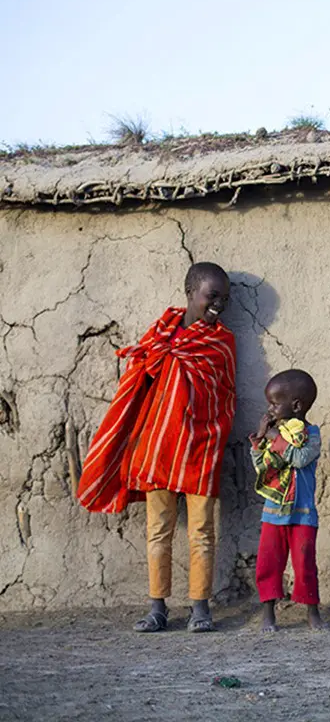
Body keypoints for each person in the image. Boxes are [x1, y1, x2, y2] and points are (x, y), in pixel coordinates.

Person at [77, 262, 236, 634]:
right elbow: (140, 376)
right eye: (212, 296)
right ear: (190, 292)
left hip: (201, 447)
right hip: (160, 446)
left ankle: (200, 608)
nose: (218, 305)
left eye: (225, 299)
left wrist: (212, 432)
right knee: (158, 530)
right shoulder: (163, 331)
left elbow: (226, 395)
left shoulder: (222, 342)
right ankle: (157, 608)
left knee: (202, 531)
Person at [251, 369, 325, 632]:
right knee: (269, 562)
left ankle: (312, 611)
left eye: (274, 403)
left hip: (303, 513)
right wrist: (260, 441)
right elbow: (261, 466)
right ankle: (268, 612)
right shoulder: (273, 433)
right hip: (273, 512)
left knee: (305, 563)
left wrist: (275, 439)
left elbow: (300, 457)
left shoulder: (311, 434)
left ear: (296, 406)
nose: (269, 410)